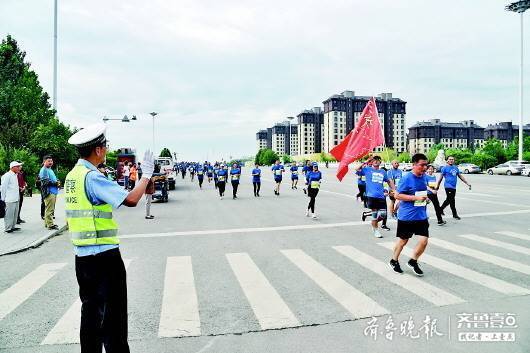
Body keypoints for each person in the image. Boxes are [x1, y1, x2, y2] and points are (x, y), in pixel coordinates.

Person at [65, 123, 154, 353]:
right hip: (103, 259)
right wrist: (145, 176)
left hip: (82, 259)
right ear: (98, 150)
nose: (106, 149)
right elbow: (131, 199)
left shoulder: (73, 175)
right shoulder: (92, 178)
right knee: (113, 320)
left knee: (91, 317)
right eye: (105, 146)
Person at [389, 153, 430, 276]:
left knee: (424, 241)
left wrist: (426, 199)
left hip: (421, 215)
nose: (425, 168)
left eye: (426, 165)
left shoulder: (424, 177)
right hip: (407, 216)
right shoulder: (406, 178)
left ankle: (413, 261)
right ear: (414, 164)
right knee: (403, 241)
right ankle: (394, 260)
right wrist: (415, 197)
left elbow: (421, 193)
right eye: (422, 165)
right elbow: (397, 195)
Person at [356, 156, 395, 238]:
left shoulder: (383, 172)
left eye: (378, 160)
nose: (376, 161)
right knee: (375, 214)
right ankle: (376, 230)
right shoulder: (367, 169)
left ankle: (374, 222)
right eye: (374, 160)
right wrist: (366, 161)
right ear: (371, 161)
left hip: (381, 196)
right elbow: (357, 169)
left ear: (380, 162)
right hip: (371, 196)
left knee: (383, 215)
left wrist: (394, 189)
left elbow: (388, 181)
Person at [436, 156, 471, 220]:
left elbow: (460, 176)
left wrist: (467, 183)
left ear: (454, 160)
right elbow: (440, 178)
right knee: (451, 200)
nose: (451, 160)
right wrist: (438, 185)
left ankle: (440, 210)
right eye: (450, 159)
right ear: (447, 160)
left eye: (452, 159)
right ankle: (454, 214)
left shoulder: (455, 168)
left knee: (449, 200)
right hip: (447, 186)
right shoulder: (444, 168)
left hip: (454, 187)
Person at [1, 161, 22, 233]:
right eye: (18, 166)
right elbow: (3, 188)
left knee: (15, 214)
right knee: (9, 214)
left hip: (16, 198)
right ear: (13, 167)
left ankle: (12, 226)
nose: (19, 168)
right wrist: (2, 199)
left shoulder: (15, 175)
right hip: (9, 199)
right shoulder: (7, 175)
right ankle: (8, 228)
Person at [39, 156, 60, 230]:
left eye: (51, 161)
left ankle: (47, 223)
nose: (50, 162)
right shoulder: (44, 170)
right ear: (44, 162)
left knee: (49, 208)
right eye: (48, 161)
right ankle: (50, 225)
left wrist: (57, 181)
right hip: (49, 192)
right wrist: (56, 183)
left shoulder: (49, 169)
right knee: (49, 209)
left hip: (53, 191)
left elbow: (53, 178)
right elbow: (45, 181)